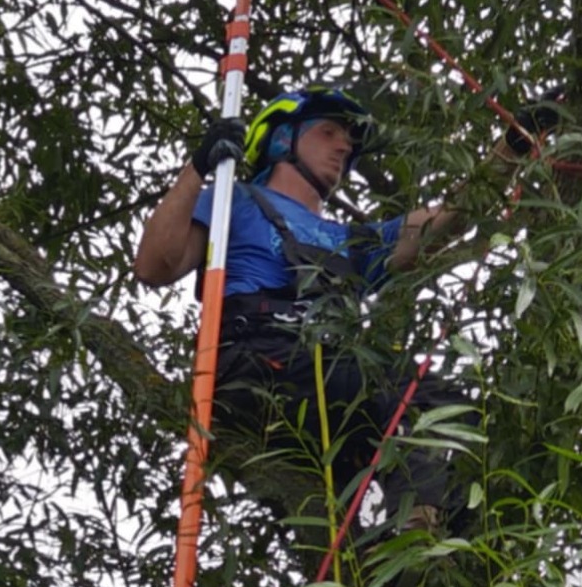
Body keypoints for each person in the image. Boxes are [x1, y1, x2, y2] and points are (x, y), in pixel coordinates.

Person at [134, 86, 525, 532]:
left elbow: (446, 218)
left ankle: (426, 554)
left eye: (348, 140)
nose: (344, 147)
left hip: (327, 383)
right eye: (328, 132)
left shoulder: (350, 241)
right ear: (282, 140)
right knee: (411, 391)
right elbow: (153, 265)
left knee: (451, 412)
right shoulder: (234, 199)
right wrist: (200, 166)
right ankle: (416, 529)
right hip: (259, 362)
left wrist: (512, 147)